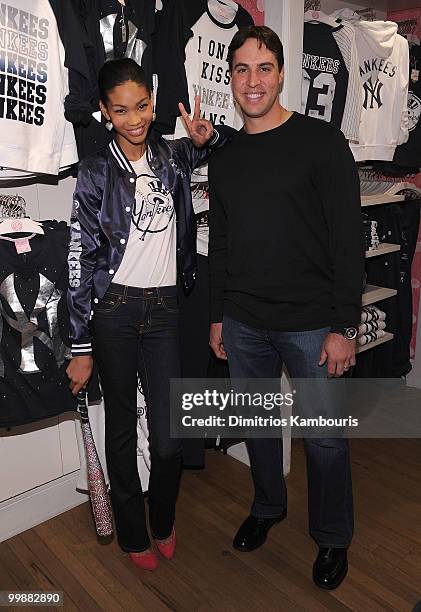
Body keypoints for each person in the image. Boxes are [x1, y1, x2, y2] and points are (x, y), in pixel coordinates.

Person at [208, 26, 364, 590]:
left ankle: (331, 537)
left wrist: (345, 324)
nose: (254, 81)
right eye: (242, 70)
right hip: (245, 322)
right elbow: (221, 242)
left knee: (323, 438)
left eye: (264, 68)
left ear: (282, 74)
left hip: (312, 324)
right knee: (258, 426)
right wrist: (219, 312)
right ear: (231, 78)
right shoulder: (226, 157)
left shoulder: (322, 143)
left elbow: (349, 240)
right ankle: (268, 506)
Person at [66, 57, 231, 571]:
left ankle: (163, 517)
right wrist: (80, 345)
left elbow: (225, 149)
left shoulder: (172, 156)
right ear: (104, 112)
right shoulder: (95, 172)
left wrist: (212, 135)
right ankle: (134, 532)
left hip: (163, 311)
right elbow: (80, 259)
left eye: (141, 106)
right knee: (120, 426)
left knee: (168, 437)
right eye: (121, 110)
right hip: (113, 312)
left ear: (153, 101)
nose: (134, 119)